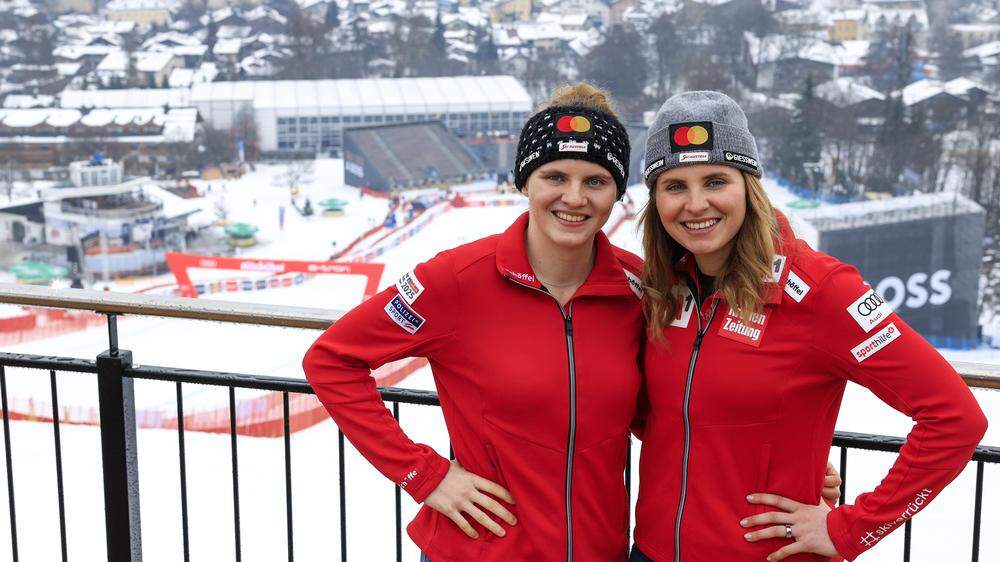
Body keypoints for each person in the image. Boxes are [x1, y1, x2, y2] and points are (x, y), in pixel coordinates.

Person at [630, 91, 988, 562]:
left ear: (749, 187)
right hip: (652, 550)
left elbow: (956, 419)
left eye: (715, 180)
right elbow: (660, 417)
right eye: (674, 185)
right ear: (655, 199)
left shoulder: (822, 290)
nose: (696, 203)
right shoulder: (664, 288)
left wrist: (852, 529)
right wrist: (782, 452)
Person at [303, 83, 646, 561]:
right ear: (525, 181)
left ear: (616, 193)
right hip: (481, 552)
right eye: (555, 176)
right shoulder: (456, 279)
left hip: (597, 550)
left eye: (595, 181)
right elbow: (332, 360)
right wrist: (423, 474)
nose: (574, 197)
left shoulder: (639, 289)